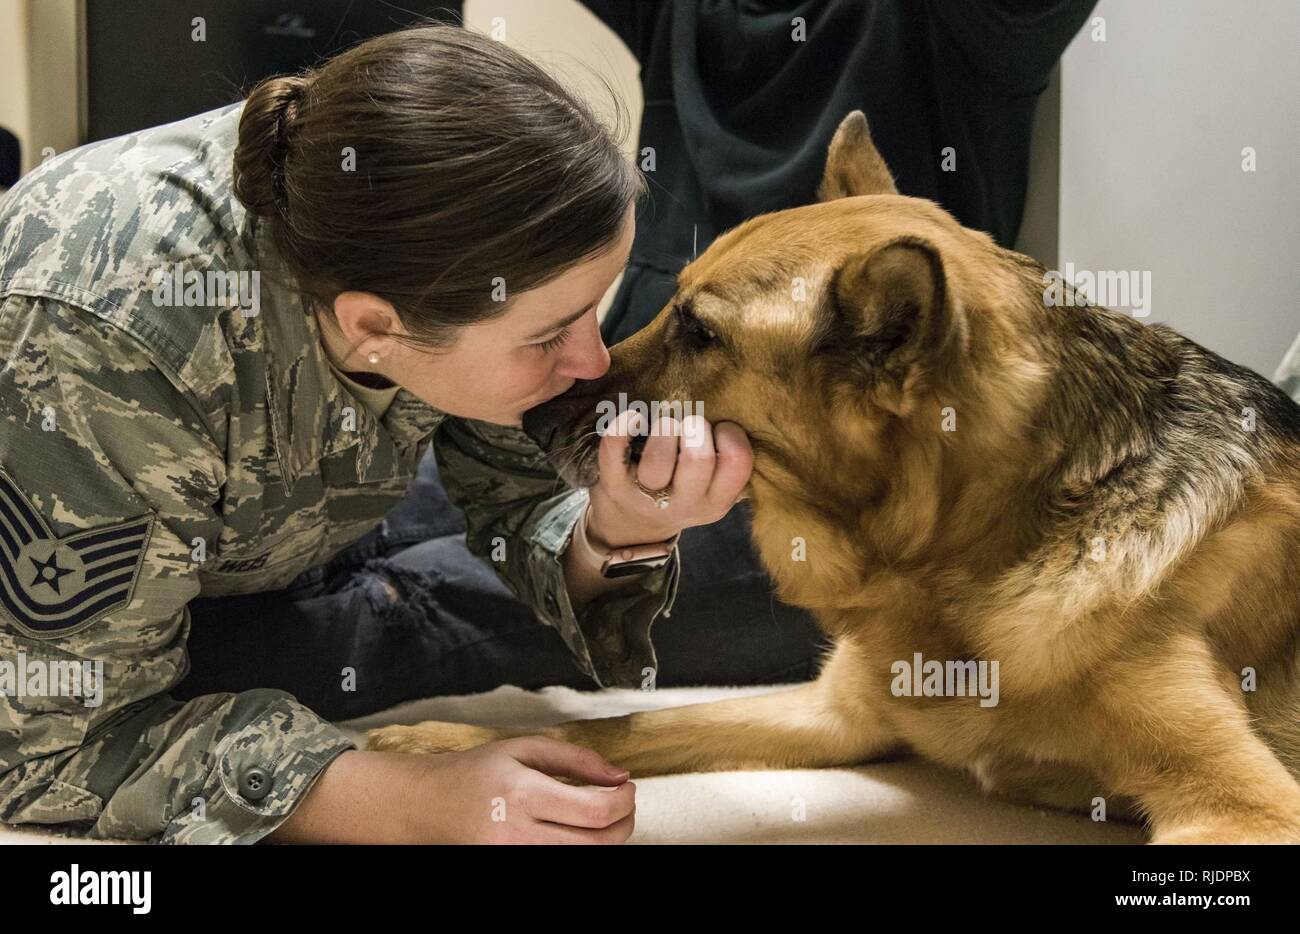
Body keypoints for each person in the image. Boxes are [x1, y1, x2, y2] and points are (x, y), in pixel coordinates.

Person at [0, 24, 807, 845]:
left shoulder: (426, 226)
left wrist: (622, 531)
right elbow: (45, 752)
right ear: (374, 326)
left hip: (287, 520)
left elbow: (516, 493)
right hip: (105, 547)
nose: (595, 361)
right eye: (549, 335)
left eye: (589, 314)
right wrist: (408, 800)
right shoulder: (100, 345)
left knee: (737, 583)